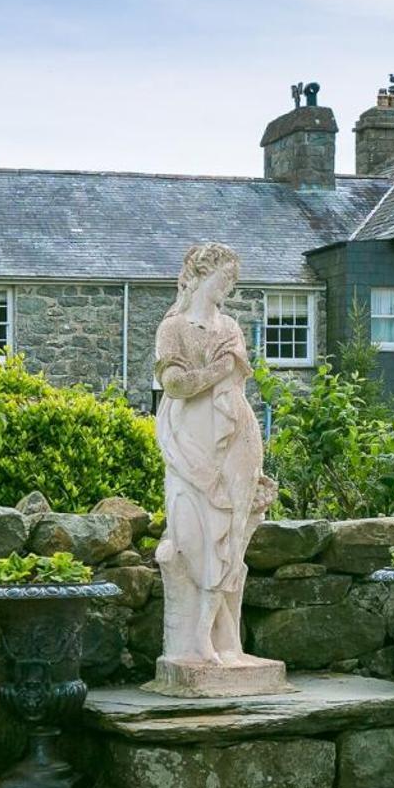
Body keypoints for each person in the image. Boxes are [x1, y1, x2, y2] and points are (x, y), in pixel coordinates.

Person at [152, 242, 277, 666]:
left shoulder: (230, 327)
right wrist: (216, 371)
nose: (230, 286)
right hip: (188, 439)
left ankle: (221, 640)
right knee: (190, 538)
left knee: (231, 541)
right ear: (203, 274)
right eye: (226, 278)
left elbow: (236, 381)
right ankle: (195, 641)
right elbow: (174, 384)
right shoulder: (174, 327)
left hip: (234, 433)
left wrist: (221, 372)